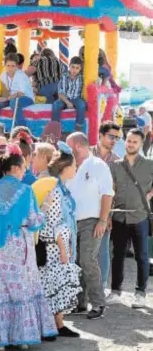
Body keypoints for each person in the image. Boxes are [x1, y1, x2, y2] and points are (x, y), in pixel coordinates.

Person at [0, 144, 57, 347]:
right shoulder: (25, 191)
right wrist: (45, 208)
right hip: (17, 242)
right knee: (20, 286)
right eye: (24, 168)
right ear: (15, 168)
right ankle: (19, 337)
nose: (25, 172)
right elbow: (34, 222)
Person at [66, 132, 114, 319]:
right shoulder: (72, 167)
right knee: (77, 262)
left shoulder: (97, 165)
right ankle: (80, 303)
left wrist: (102, 220)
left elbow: (107, 193)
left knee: (87, 260)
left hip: (92, 220)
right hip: (73, 222)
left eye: (69, 146)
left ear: (77, 145)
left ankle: (98, 303)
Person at [38, 142, 81, 338]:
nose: (76, 168)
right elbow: (54, 222)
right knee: (51, 283)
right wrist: (64, 248)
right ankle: (52, 324)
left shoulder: (62, 188)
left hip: (59, 244)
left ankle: (57, 323)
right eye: (73, 166)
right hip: (53, 246)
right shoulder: (55, 189)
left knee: (55, 284)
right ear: (64, 168)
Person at [109, 128, 153, 309]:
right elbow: (110, 191)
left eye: (135, 142)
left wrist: (150, 195)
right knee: (117, 255)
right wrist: (108, 215)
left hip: (140, 216)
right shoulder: (115, 165)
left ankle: (140, 293)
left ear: (141, 144)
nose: (131, 144)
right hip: (119, 216)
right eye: (128, 141)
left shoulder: (150, 164)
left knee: (142, 257)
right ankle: (115, 291)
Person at [91, 121, 121, 289]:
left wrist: (108, 215)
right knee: (82, 250)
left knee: (102, 250)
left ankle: (101, 287)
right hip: (83, 211)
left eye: (116, 138)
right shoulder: (86, 155)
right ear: (100, 135)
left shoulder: (117, 162)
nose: (113, 140)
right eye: (111, 136)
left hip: (104, 211)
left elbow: (114, 191)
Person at [0, 53, 35, 127]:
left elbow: (21, 93)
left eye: (13, 66)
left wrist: (6, 98)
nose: (10, 68)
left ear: (16, 66)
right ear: (5, 65)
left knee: (13, 102)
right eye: (8, 65)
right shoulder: (3, 75)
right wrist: (1, 98)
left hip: (26, 98)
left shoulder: (21, 75)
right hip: (11, 98)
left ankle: (22, 128)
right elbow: (6, 90)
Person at [52, 57, 86, 131]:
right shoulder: (64, 76)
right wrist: (67, 102)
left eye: (77, 68)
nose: (74, 70)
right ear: (69, 66)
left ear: (80, 69)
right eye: (73, 67)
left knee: (82, 105)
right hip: (64, 98)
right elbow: (60, 93)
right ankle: (55, 128)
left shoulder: (82, 77)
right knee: (56, 105)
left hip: (76, 98)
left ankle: (78, 128)